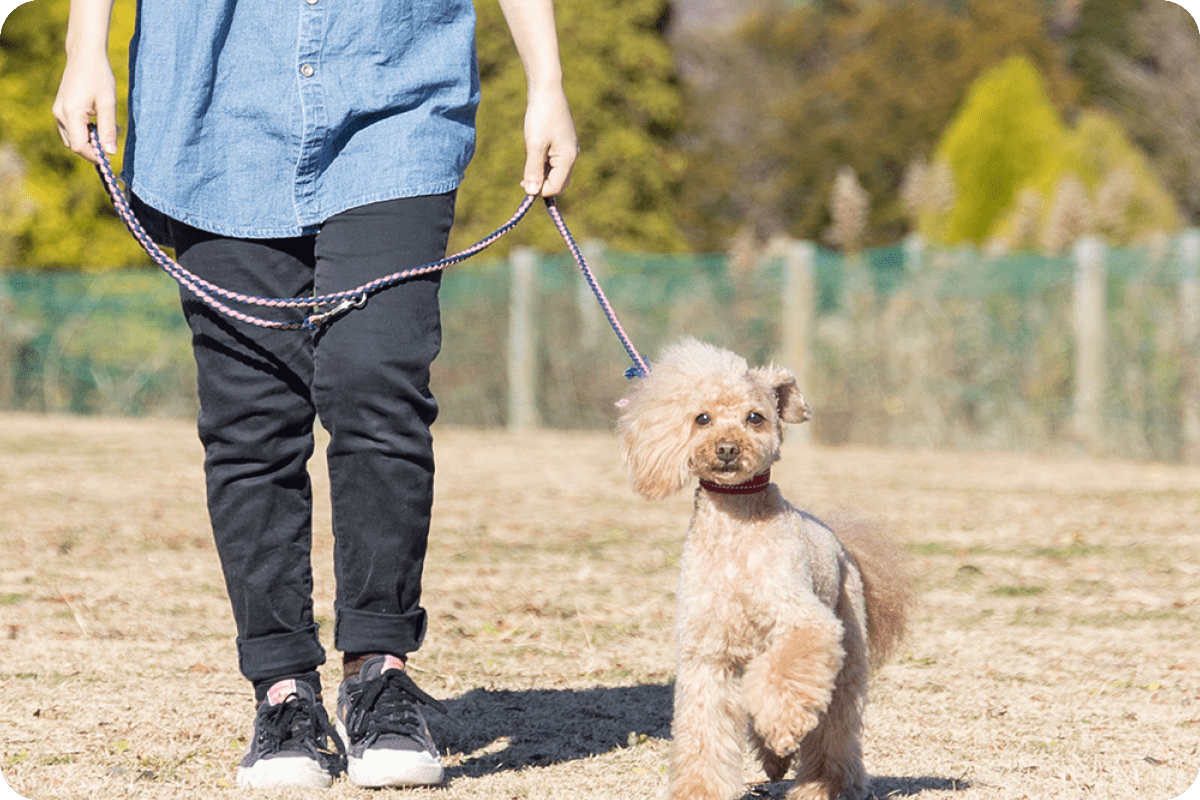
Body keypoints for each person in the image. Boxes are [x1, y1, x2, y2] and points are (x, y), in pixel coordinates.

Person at [52, 0, 577, 790]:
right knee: (250, 414)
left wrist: (548, 80)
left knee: (377, 377)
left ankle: (380, 671)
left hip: (396, 89)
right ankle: (283, 693)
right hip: (213, 103)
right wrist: (83, 45)